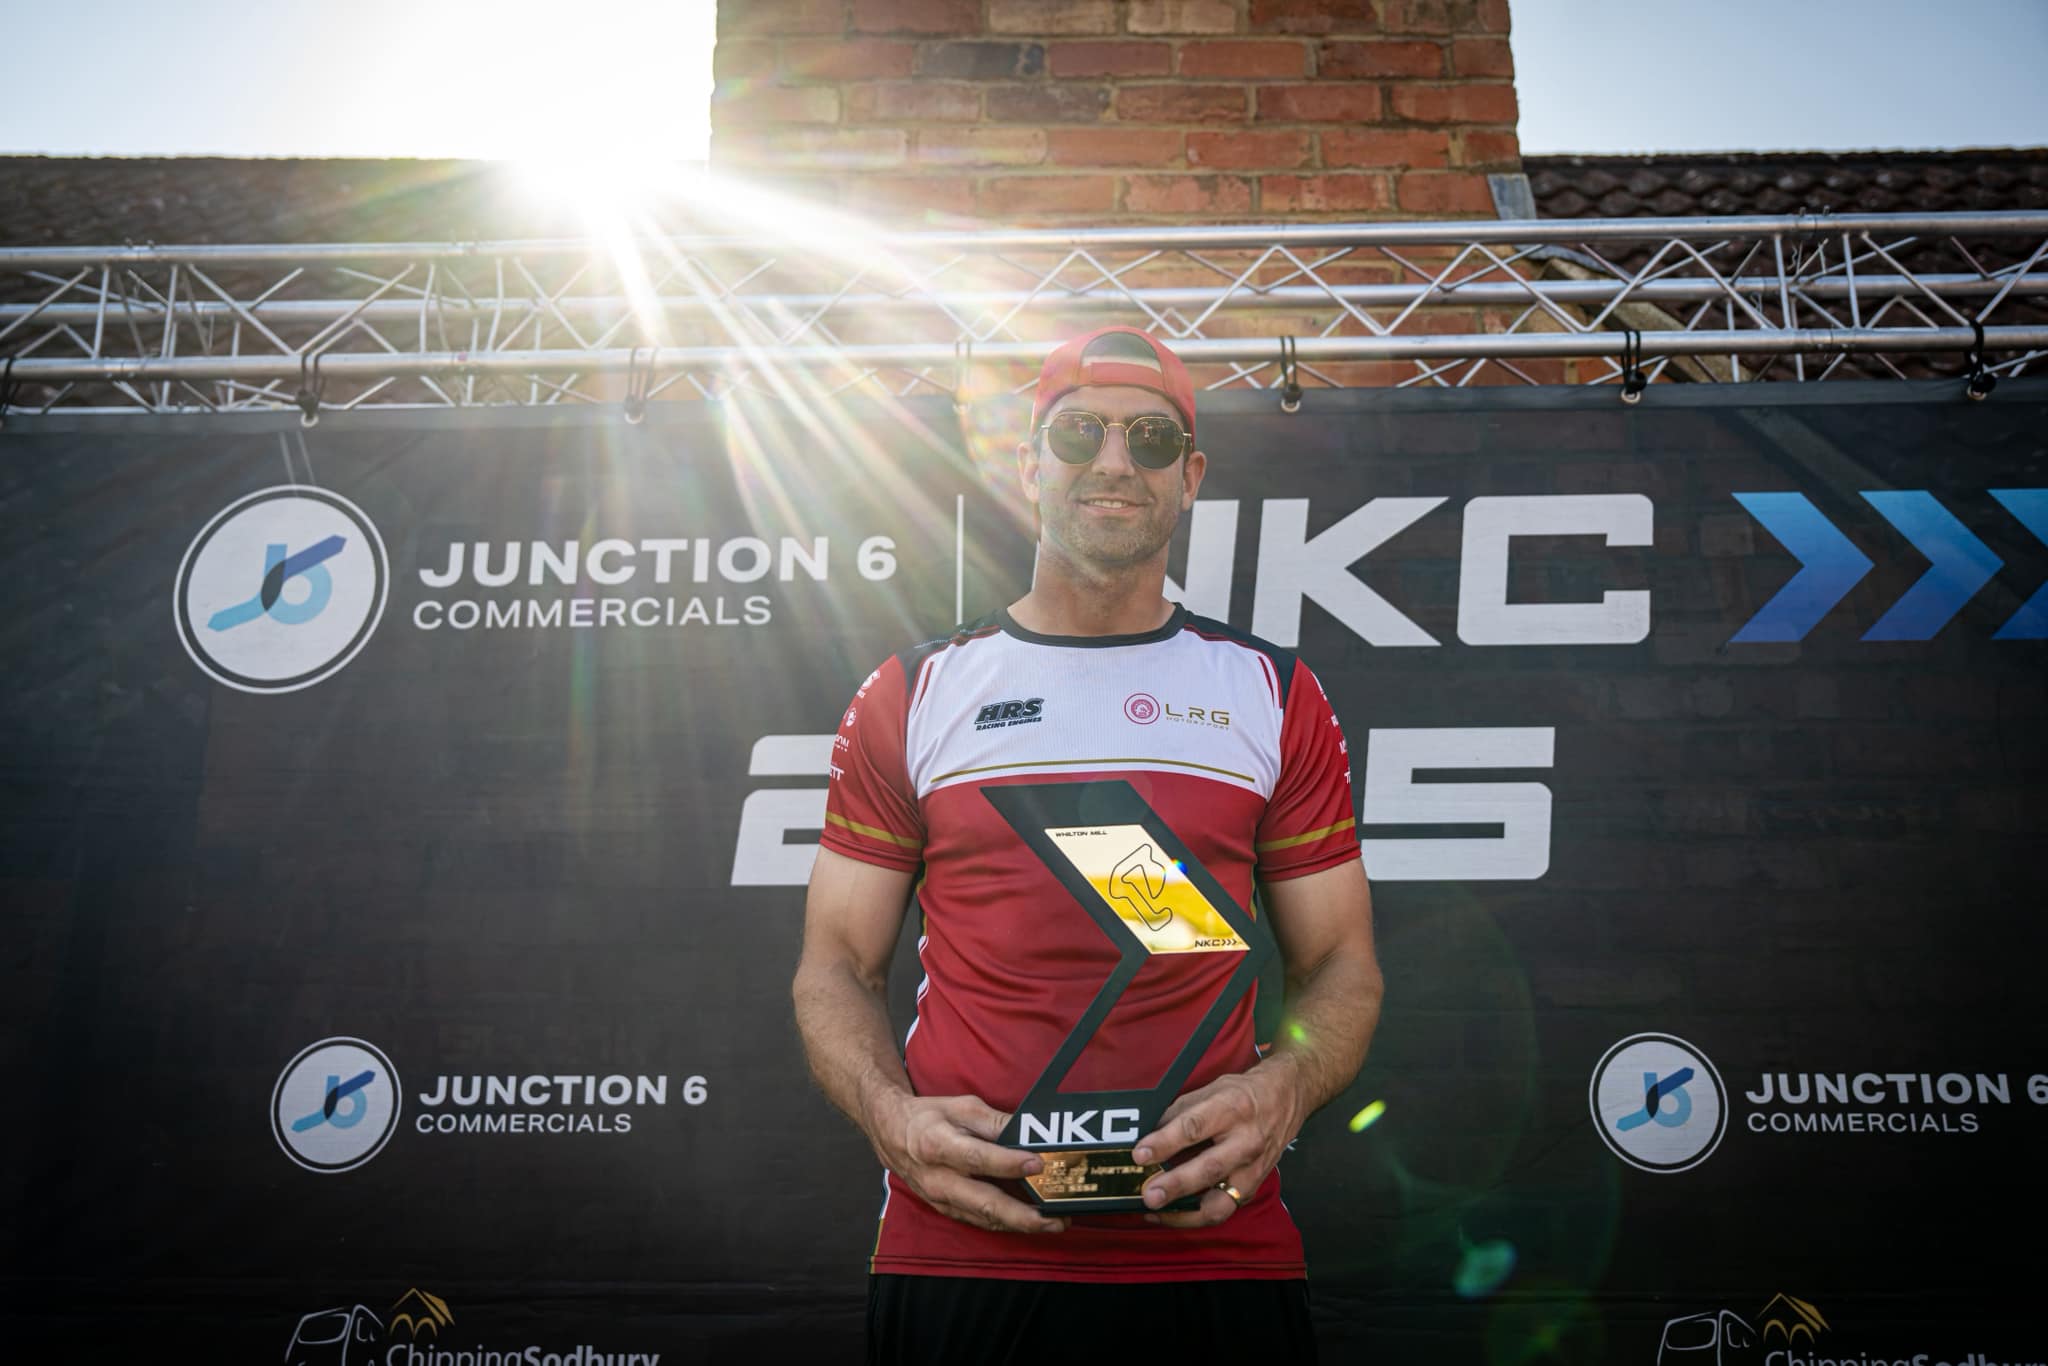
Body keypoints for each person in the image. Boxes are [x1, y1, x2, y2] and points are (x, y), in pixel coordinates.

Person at [792, 325, 1383, 1365]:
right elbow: (834, 965)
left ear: (1189, 477)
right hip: (962, 1250)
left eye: (1151, 439)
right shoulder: (914, 692)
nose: (1114, 461)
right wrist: (890, 1117)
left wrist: (1284, 1085)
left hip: (1213, 1251)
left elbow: (1342, 963)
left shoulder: (1273, 692)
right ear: (1027, 465)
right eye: (1078, 434)